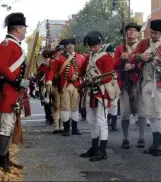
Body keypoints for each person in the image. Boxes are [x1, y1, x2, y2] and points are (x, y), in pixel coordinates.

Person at [0, 12, 30, 172]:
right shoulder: (7, 44)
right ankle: (1, 161)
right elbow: (1, 66)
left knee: (9, 126)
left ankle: (6, 159)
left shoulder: (13, 44)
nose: (25, 31)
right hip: (8, 90)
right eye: (24, 28)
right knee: (6, 126)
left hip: (12, 90)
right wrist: (18, 81)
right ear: (18, 28)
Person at [128, 19, 161, 157]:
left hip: (159, 82)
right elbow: (131, 58)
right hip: (146, 82)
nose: (153, 35)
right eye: (151, 32)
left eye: (155, 33)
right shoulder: (143, 43)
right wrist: (140, 56)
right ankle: (155, 142)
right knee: (150, 114)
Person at [79, 31, 115, 161]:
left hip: (101, 92)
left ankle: (102, 150)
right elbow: (82, 71)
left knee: (101, 121)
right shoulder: (89, 57)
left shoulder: (106, 57)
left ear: (100, 44)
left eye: (95, 46)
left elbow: (109, 75)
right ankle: (94, 147)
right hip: (89, 91)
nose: (93, 49)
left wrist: (97, 80)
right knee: (91, 120)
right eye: (91, 46)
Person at [114, 22, 145, 149]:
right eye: (129, 30)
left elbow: (146, 62)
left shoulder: (142, 46)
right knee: (125, 112)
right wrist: (121, 59)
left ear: (137, 33)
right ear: (125, 33)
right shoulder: (120, 48)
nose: (131, 32)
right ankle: (126, 138)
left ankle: (141, 137)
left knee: (142, 111)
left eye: (134, 30)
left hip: (140, 82)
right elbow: (114, 66)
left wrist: (134, 65)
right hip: (125, 83)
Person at [49, 38, 84, 136]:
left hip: (77, 85)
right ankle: (66, 129)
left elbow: (84, 70)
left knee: (74, 108)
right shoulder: (59, 58)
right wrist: (48, 81)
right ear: (64, 47)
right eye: (68, 45)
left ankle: (75, 129)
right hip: (65, 85)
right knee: (65, 108)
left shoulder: (80, 57)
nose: (70, 46)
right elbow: (52, 71)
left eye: (72, 44)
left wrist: (78, 75)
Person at [44, 48, 65, 133]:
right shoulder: (48, 66)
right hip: (54, 86)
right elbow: (47, 75)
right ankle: (57, 126)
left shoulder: (61, 61)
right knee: (57, 106)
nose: (52, 59)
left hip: (62, 85)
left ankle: (62, 125)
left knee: (62, 106)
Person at [105, 44, 120, 131]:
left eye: (113, 53)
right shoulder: (105, 60)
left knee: (114, 104)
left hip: (115, 82)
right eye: (110, 53)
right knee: (107, 104)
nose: (112, 54)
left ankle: (114, 122)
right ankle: (107, 120)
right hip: (107, 82)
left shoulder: (117, 60)